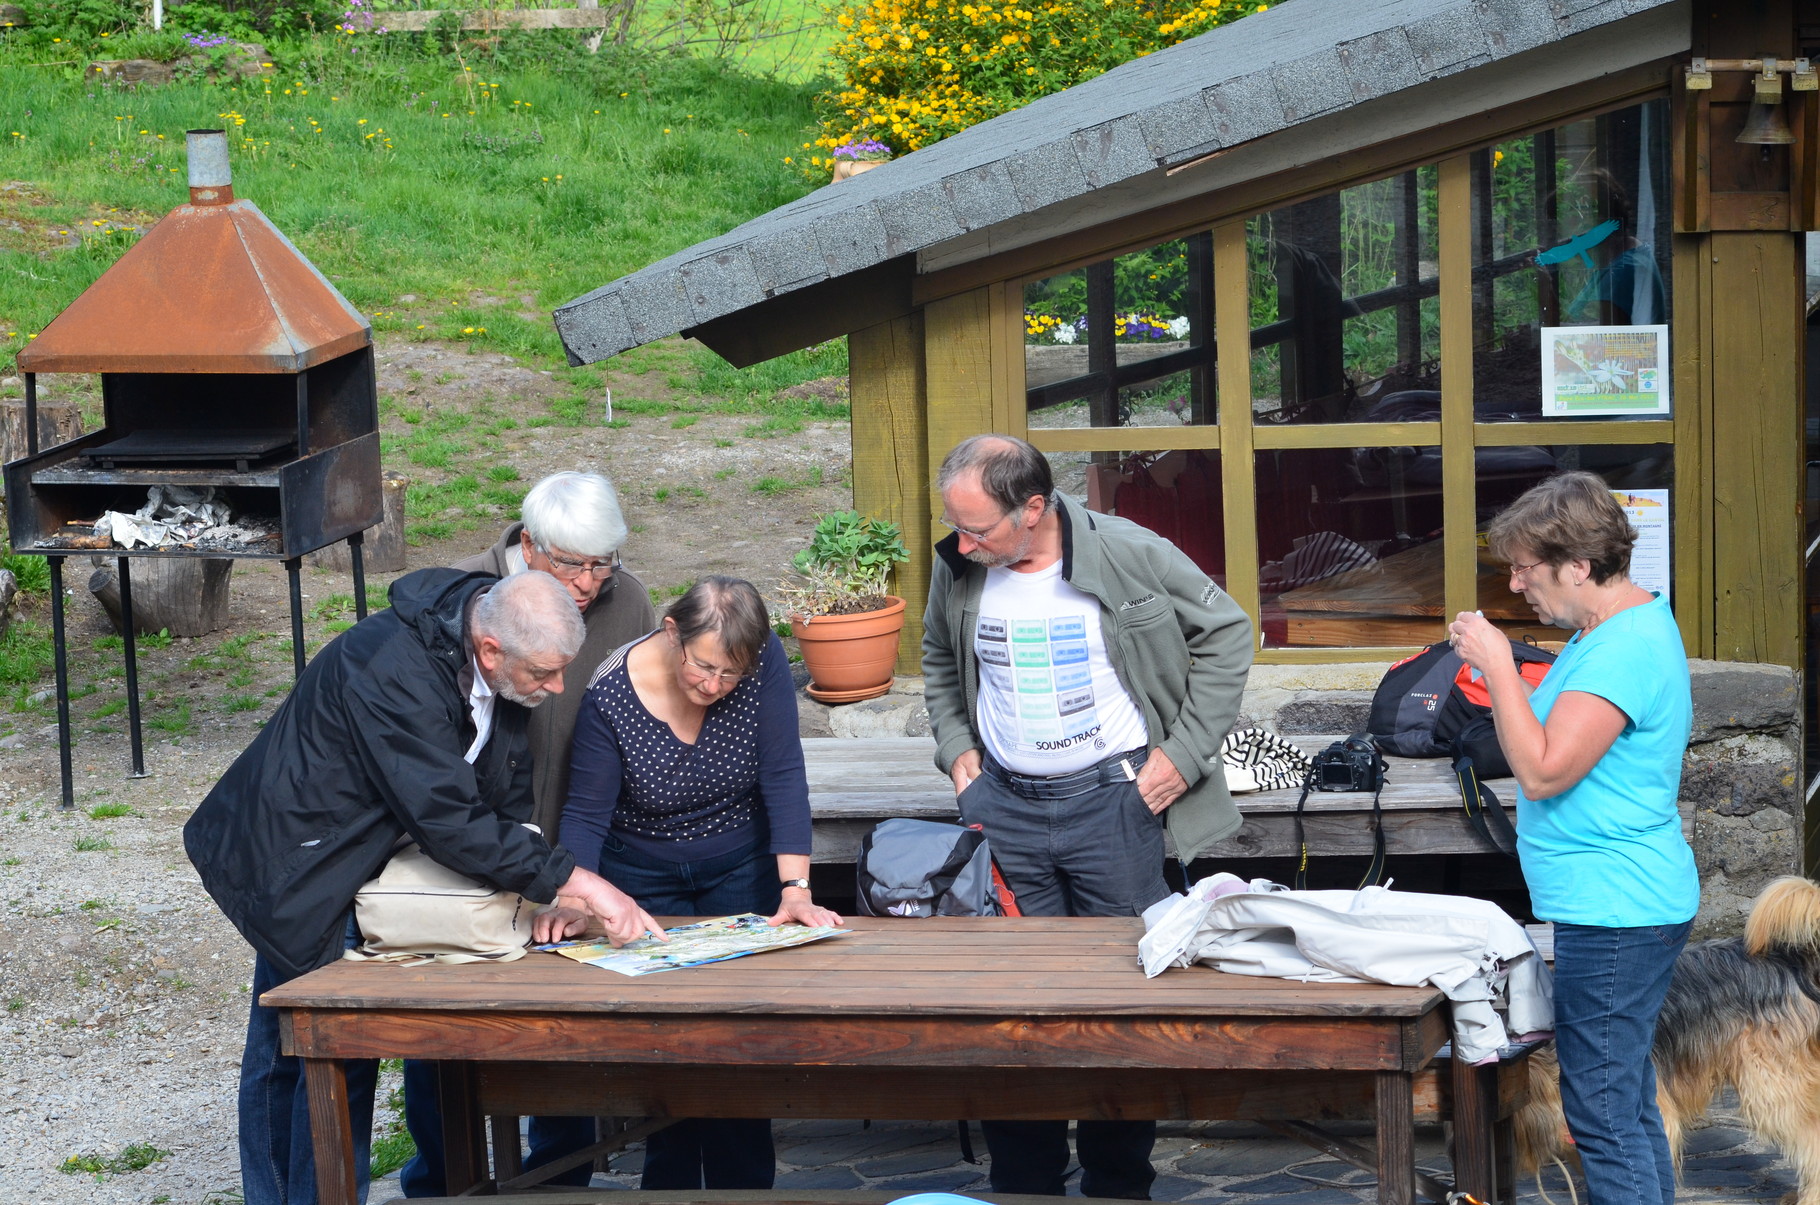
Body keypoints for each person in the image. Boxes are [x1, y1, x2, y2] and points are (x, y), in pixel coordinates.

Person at [184, 569, 663, 1205]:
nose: (558, 687)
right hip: (295, 862)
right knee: (303, 1056)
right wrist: (580, 882)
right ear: (490, 649)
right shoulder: (389, 667)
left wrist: (554, 890)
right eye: (547, 672)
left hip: (372, 861)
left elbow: (499, 791)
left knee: (356, 1051)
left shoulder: (495, 655)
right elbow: (449, 818)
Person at [921, 433, 1254, 1199]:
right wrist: (958, 754)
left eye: (979, 529)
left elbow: (1229, 632)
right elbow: (940, 658)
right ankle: (1027, 1183)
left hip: (1116, 807)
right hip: (1001, 807)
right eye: (957, 527)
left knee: (1120, 1008)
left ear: (1032, 509)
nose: (962, 544)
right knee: (1011, 1011)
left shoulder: (1130, 551)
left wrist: (1186, 753)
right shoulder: (961, 563)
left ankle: (1116, 1185)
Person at [399, 470, 658, 1197]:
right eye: (573, 563)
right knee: (442, 1029)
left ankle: (561, 1176)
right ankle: (442, 1176)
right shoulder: (464, 596)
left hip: (571, 852)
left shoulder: (626, 597)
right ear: (527, 543)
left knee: (563, 1028)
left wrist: (581, 867)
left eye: (602, 563)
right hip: (467, 845)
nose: (589, 581)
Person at [1448, 471, 1696, 1205]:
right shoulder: (1609, 629)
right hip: (1621, 899)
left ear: (1580, 566)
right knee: (1623, 1100)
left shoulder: (1622, 649)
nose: (1517, 582)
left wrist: (1497, 665)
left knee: (1599, 1109)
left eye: (1527, 566)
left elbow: (1547, 768)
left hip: (1619, 907)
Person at [551, 575, 843, 1190]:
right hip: (639, 873)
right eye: (703, 668)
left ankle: (745, 1190)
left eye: (728, 676)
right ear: (670, 632)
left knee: (744, 1039)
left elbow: (784, 777)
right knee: (666, 1046)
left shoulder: (760, 671)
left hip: (740, 866)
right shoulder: (611, 695)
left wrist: (795, 888)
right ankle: (669, 1187)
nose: (714, 686)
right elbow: (584, 813)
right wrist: (577, 899)